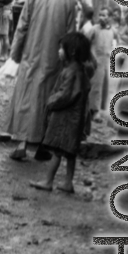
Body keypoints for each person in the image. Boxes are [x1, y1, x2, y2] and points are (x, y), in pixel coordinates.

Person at [5, 0, 78, 161]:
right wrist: (69, 62)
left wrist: (15, 54)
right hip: (55, 58)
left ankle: (21, 143)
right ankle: (41, 147)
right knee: (47, 98)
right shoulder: (70, 1)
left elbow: (22, 27)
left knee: (26, 94)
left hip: (31, 53)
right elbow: (72, 34)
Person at [29, 31, 92, 194]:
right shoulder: (79, 70)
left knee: (57, 151)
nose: (58, 51)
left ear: (70, 52)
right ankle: (68, 183)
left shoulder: (71, 72)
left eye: (61, 49)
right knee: (70, 152)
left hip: (66, 119)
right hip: (75, 119)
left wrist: (50, 102)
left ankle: (48, 181)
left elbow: (66, 94)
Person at [83, 7, 115, 121]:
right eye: (100, 15)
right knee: (95, 86)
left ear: (110, 17)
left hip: (106, 61)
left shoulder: (112, 30)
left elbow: (114, 43)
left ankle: (99, 109)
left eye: (104, 15)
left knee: (103, 87)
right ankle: (93, 111)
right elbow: (84, 42)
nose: (101, 17)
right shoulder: (94, 29)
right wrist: (90, 56)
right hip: (95, 61)